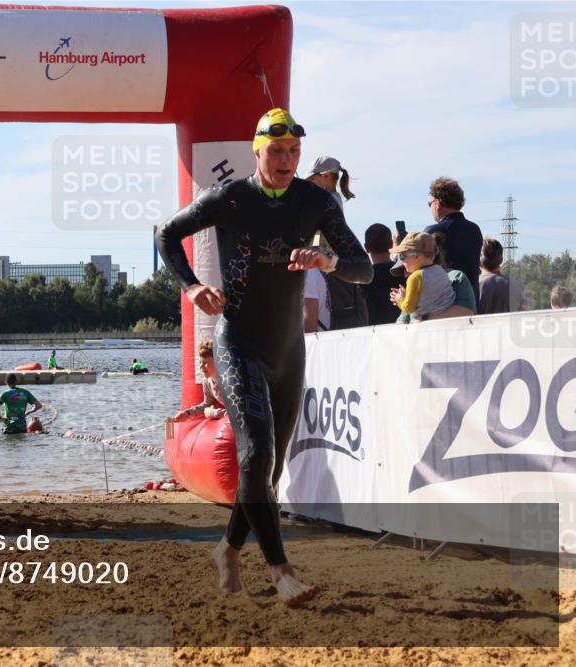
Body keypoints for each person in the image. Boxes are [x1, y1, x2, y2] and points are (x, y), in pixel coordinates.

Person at [155, 107, 372, 605]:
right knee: (255, 454)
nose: (285, 160)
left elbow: (362, 269)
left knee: (266, 473)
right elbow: (166, 234)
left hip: (287, 350)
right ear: (257, 151)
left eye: (293, 152)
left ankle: (228, 551)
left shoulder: (316, 201)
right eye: (276, 151)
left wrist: (327, 259)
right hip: (239, 343)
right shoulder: (231, 196)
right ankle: (281, 572)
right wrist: (190, 288)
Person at [305, 157, 368, 330]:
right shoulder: (332, 197)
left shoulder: (327, 200)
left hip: (332, 264)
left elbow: (319, 233)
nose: (309, 184)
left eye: (312, 179)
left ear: (325, 176)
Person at [423, 177, 483, 303]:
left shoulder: (432, 232)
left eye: (430, 204)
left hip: (443, 306)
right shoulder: (474, 229)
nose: (430, 208)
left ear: (437, 204)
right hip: (471, 303)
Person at [389, 232, 456, 321]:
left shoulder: (415, 277)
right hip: (447, 319)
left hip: (427, 325)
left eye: (401, 256)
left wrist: (400, 299)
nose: (401, 261)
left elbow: (409, 308)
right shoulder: (439, 270)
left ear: (416, 256)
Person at [168, 340, 225, 422]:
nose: (201, 367)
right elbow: (207, 404)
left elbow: (241, 414)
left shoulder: (229, 384)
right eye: (200, 363)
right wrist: (187, 413)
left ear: (218, 363)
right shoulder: (207, 382)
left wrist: (214, 413)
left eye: (205, 363)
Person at [362, 223, 402, 325]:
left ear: (366, 248)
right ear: (390, 244)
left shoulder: (363, 278)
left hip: (375, 333)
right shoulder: (404, 271)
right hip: (404, 328)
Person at [478, 237, 529, 314]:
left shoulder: (473, 286)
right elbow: (526, 316)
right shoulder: (517, 286)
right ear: (501, 260)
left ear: (478, 260)